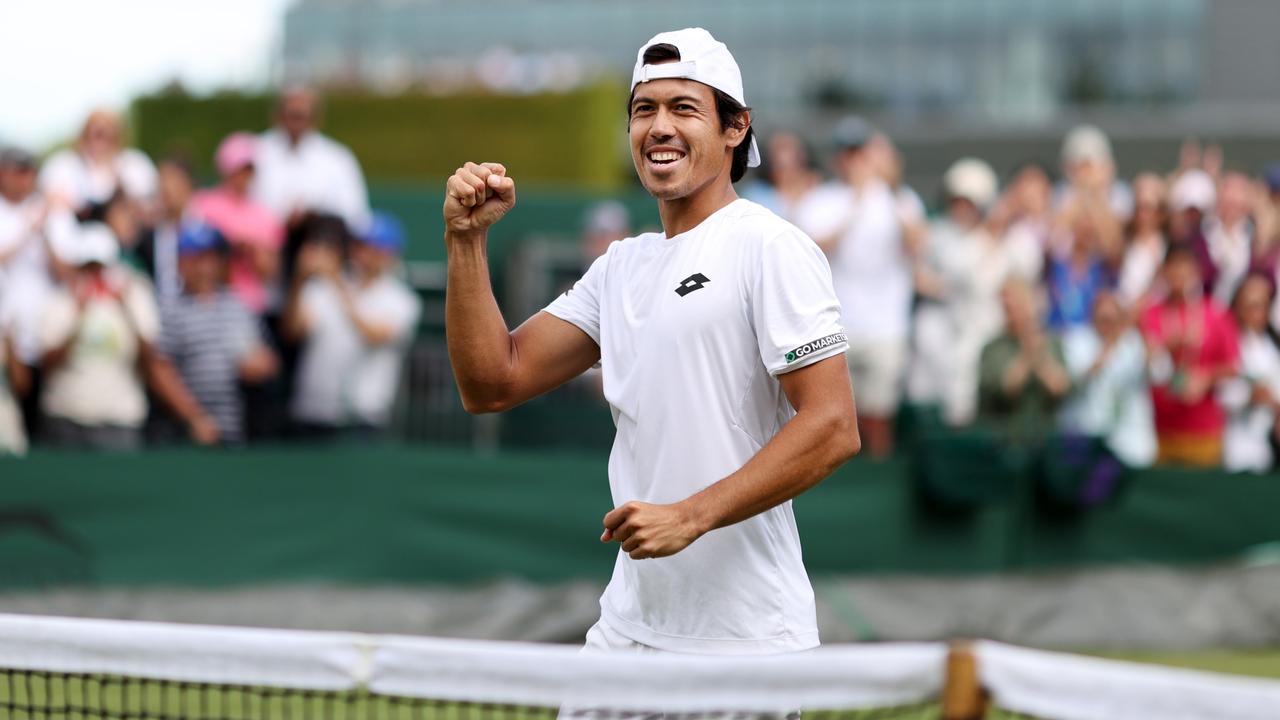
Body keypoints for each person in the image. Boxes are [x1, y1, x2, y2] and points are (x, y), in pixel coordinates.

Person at [444, 28, 858, 655]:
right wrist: (466, 243)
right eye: (644, 110)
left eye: (683, 108)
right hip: (627, 629)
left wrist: (688, 514)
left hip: (744, 640)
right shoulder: (620, 266)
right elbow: (492, 383)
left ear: (735, 128)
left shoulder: (771, 246)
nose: (658, 127)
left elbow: (833, 424)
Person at [38, 223, 218, 450]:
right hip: (66, 417)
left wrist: (126, 308)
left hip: (119, 419)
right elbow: (47, 365)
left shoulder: (135, 294)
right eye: (88, 268)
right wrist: (77, 316)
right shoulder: (61, 301)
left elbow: (149, 359)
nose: (94, 276)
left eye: (100, 268)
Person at [795, 116, 909, 456]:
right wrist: (857, 200)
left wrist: (889, 187)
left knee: (880, 415)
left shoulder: (895, 198)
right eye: (847, 153)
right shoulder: (820, 200)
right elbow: (818, 247)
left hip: (886, 324)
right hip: (837, 325)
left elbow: (916, 243)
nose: (853, 160)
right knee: (840, 419)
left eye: (859, 152)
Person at [284, 211, 420, 438]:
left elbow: (373, 335)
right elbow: (294, 331)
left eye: (371, 247)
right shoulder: (321, 287)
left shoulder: (401, 300)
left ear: (389, 254)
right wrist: (299, 278)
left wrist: (336, 281)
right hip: (312, 413)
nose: (361, 253)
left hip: (363, 418)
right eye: (358, 245)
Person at [158, 223, 278, 446]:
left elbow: (267, 359)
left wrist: (260, 365)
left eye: (209, 258)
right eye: (195, 258)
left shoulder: (239, 306)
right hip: (187, 435)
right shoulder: (171, 310)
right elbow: (161, 369)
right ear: (181, 263)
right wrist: (194, 418)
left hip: (238, 430)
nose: (204, 267)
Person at [909, 158, 1006, 426]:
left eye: (970, 203)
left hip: (978, 326)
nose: (962, 209)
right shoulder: (936, 235)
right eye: (957, 201)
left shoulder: (990, 243)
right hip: (940, 325)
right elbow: (920, 278)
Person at [1139, 244, 1240, 467]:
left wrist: (1206, 378)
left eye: (1186, 270)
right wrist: (1167, 346)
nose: (1179, 276)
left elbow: (1233, 365)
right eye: (1173, 269)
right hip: (1159, 431)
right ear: (1164, 272)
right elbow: (1139, 360)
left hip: (1203, 431)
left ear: (1198, 273)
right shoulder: (1150, 314)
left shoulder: (1216, 314)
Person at [1059, 290, 1156, 468]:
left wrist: (1142, 329)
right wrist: (1112, 341)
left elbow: (1159, 375)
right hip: (1087, 436)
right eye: (1103, 319)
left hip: (1130, 443)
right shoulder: (1076, 340)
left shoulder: (1135, 342)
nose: (1108, 325)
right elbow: (1079, 380)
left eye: (1113, 319)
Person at [190, 133, 285, 316]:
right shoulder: (204, 204)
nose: (243, 176)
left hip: (252, 307)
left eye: (248, 169)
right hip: (210, 302)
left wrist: (251, 250)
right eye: (238, 169)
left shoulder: (265, 215)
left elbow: (270, 270)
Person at [253, 87, 370, 233]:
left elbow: (355, 215)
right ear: (278, 116)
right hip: (266, 240)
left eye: (301, 116)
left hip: (322, 240)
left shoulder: (338, 157)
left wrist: (313, 215)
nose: (296, 122)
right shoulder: (255, 151)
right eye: (291, 115)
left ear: (315, 118)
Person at [978, 278, 1071, 438]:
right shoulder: (993, 348)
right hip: (1005, 440)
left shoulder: (1053, 343)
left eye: (1017, 305)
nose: (1013, 312)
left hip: (1045, 438)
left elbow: (1060, 387)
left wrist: (1039, 356)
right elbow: (1006, 388)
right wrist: (1027, 356)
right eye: (1007, 307)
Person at [38, 109, 157, 214]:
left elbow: (148, 204)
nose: (100, 142)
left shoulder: (133, 163)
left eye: (105, 134)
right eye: (96, 134)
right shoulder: (63, 164)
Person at [1219, 273, 1280, 472]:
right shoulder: (1228, 343)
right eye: (1251, 306)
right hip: (1233, 446)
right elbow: (1220, 393)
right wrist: (1249, 397)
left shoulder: (1271, 346)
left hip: (1267, 446)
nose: (1256, 313)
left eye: (1262, 305)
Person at [133, 155, 197, 307]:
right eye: (163, 183)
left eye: (174, 182)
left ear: (188, 186)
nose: (167, 190)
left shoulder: (204, 233)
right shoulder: (146, 235)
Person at [1117, 173, 1169, 309]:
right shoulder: (1123, 242)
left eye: (1148, 208)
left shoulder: (1168, 246)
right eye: (1138, 207)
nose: (1142, 214)